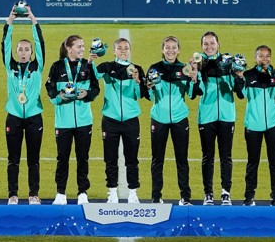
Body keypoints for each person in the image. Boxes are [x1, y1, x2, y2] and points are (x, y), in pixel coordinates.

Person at [144, 37, 201, 205]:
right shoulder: (154, 68)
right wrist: (148, 86)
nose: (170, 50)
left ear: (178, 49)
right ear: (162, 49)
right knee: (157, 160)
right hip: (159, 119)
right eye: (167, 47)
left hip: (179, 119)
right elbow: (148, 95)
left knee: (182, 159)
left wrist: (193, 79)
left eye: (174, 47)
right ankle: (156, 197)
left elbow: (191, 95)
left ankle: (185, 197)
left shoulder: (185, 69)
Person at [45, 35, 99, 204]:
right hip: (63, 122)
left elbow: (96, 88)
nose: (83, 49)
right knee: (62, 158)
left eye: (83, 46)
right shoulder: (57, 67)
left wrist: (86, 95)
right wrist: (60, 96)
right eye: (79, 46)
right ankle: (61, 192)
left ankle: (82, 192)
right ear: (69, 49)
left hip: (84, 121)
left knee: (83, 157)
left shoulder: (88, 66)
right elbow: (50, 89)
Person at [1, 3, 46, 205]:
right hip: (14, 116)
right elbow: (5, 43)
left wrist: (33, 20)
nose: (23, 52)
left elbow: (40, 43)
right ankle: (12, 194)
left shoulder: (37, 65)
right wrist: (10, 20)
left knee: (33, 159)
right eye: (20, 49)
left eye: (27, 49)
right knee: (13, 159)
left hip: (34, 116)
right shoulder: (10, 65)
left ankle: (33, 194)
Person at [93, 36, 145, 204]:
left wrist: (137, 81)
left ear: (130, 51)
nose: (123, 51)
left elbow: (140, 95)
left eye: (126, 48)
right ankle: (112, 193)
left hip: (131, 120)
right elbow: (92, 76)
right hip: (110, 120)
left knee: (132, 158)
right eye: (120, 48)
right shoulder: (107, 67)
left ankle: (133, 193)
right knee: (110, 158)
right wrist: (91, 60)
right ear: (114, 51)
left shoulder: (137, 69)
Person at [233, 45, 275, 205]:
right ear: (255, 58)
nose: (264, 59)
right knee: (252, 161)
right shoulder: (248, 74)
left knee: (274, 161)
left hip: (273, 124)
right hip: (253, 124)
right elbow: (240, 94)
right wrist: (240, 79)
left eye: (267, 56)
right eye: (261, 56)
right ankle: (249, 197)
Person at [194, 32, 240, 206]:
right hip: (206, 115)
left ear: (218, 44)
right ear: (202, 46)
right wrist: (194, 76)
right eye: (205, 44)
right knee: (208, 156)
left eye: (212, 43)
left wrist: (237, 74)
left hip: (227, 115)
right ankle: (208, 194)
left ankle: (226, 192)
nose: (209, 46)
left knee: (226, 156)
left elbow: (238, 90)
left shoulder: (228, 62)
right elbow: (195, 92)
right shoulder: (200, 64)